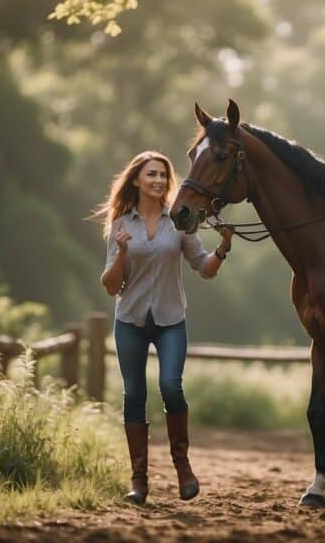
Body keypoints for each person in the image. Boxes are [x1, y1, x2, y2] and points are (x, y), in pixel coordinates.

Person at [94, 150, 233, 505]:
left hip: (171, 319)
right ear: (137, 179)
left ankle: (182, 468)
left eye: (162, 175)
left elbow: (203, 267)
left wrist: (223, 248)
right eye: (151, 174)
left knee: (171, 386)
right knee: (134, 396)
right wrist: (122, 254)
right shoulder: (121, 224)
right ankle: (139, 480)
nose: (158, 180)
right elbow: (111, 285)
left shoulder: (179, 222)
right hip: (131, 319)